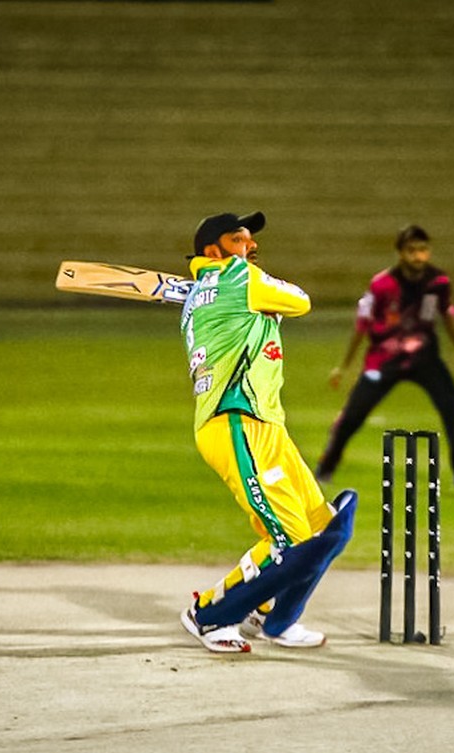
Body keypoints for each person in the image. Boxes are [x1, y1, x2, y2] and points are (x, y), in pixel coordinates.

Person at [178, 211, 356, 654]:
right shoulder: (240, 278)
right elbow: (300, 300)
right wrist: (262, 287)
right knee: (290, 539)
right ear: (213, 250)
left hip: (265, 423)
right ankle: (208, 613)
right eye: (238, 239)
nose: (251, 245)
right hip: (235, 420)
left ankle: (274, 616)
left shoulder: (212, 290)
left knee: (320, 528)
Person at [315, 224, 454, 488]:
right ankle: (326, 467)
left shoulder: (438, 282)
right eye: (412, 250)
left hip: (425, 358)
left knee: (452, 409)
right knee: (353, 415)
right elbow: (362, 323)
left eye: (423, 250)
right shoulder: (381, 284)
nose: (418, 256)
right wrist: (344, 365)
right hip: (384, 360)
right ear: (400, 253)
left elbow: (447, 312)